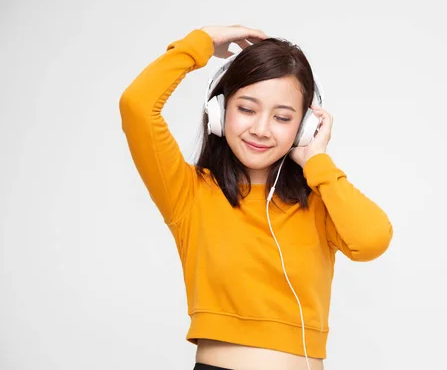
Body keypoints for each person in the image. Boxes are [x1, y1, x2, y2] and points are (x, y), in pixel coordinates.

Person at [119, 24, 393, 370]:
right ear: (219, 113)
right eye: (247, 109)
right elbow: (137, 107)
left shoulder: (321, 201)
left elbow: (372, 240)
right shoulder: (189, 193)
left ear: (304, 128)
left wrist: (319, 164)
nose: (261, 129)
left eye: (282, 117)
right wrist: (201, 42)